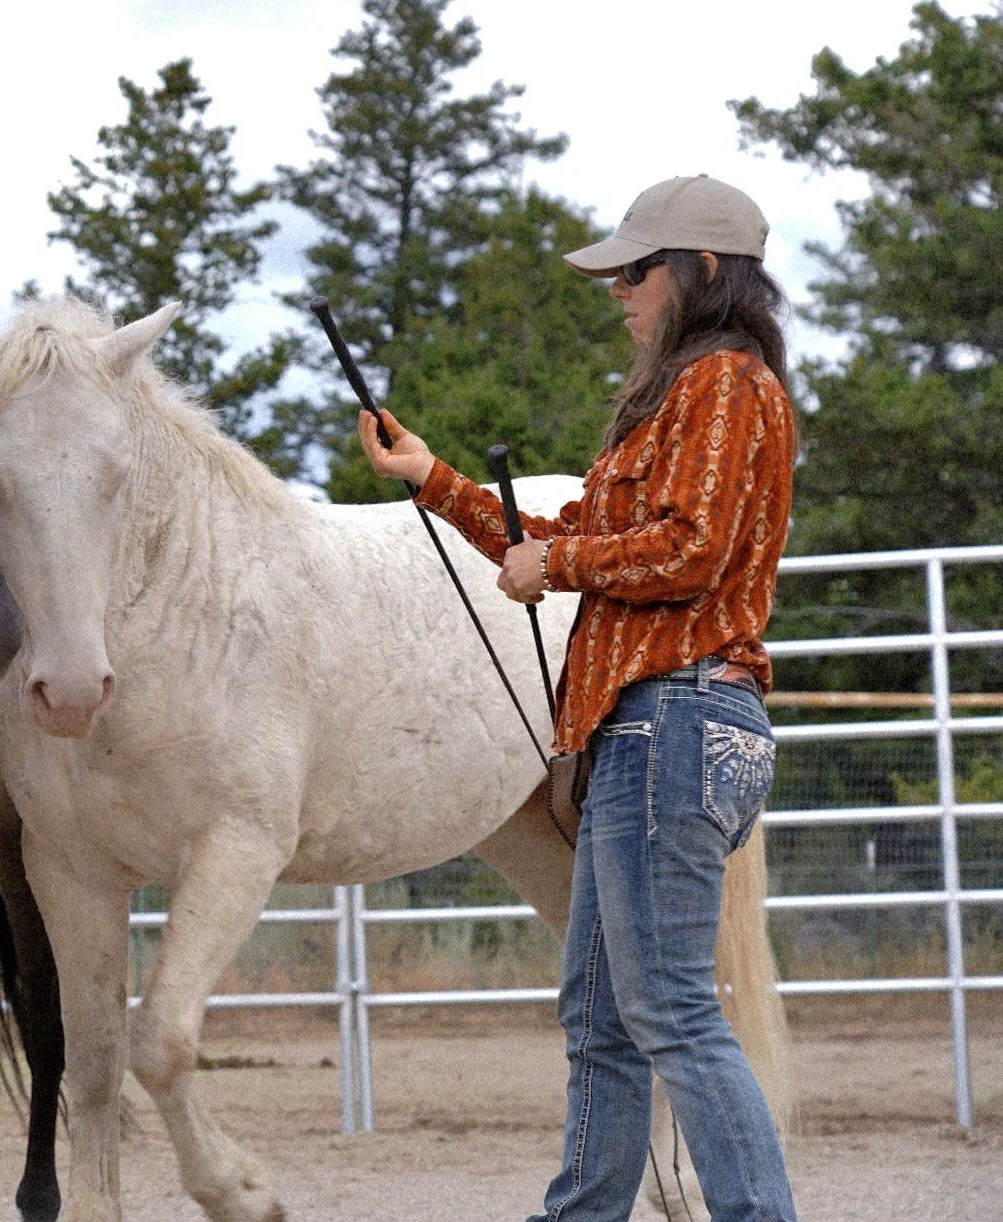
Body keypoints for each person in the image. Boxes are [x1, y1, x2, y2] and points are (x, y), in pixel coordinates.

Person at [359, 175, 798, 1221]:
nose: (618, 290)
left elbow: (688, 551)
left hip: (674, 724)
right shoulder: (687, 396)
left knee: (670, 1011)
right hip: (650, 732)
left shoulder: (724, 385)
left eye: (635, 271)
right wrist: (432, 478)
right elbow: (560, 542)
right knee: (604, 1016)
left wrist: (554, 567)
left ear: (700, 271)